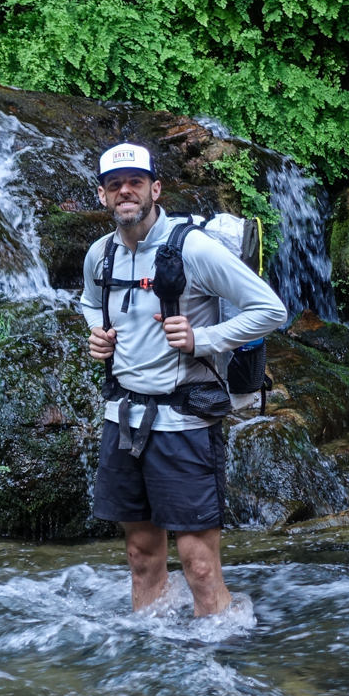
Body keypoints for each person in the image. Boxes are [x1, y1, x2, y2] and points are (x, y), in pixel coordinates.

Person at [79, 142, 286, 617]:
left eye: (134, 182)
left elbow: (270, 310)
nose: (125, 192)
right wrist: (96, 332)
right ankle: (153, 665)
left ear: (155, 189)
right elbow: (90, 302)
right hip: (123, 419)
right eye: (115, 185)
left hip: (185, 423)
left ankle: (219, 666)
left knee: (198, 565)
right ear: (103, 196)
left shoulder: (193, 248)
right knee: (141, 558)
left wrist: (203, 339)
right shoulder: (100, 255)